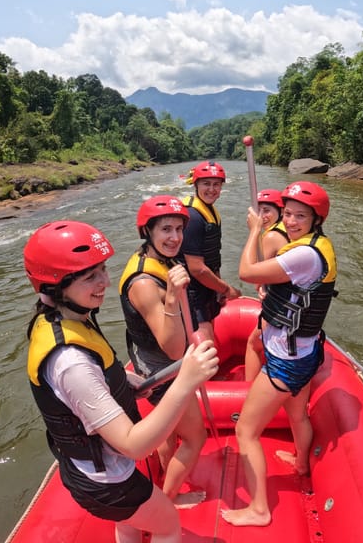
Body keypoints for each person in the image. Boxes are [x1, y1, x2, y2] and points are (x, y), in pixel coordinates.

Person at [23, 220, 219, 543]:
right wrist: (186, 379)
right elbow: (135, 443)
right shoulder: (70, 362)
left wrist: (130, 381)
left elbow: (99, 376)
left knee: (129, 523)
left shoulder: (64, 318)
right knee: (167, 522)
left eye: (102, 269)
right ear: (55, 288)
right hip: (107, 481)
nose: (105, 282)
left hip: (94, 469)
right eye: (90, 277)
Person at [222, 181, 337, 527]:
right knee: (297, 415)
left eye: (300, 216)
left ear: (317, 220)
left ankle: (259, 509)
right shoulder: (317, 246)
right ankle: (302, 463)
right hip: (306, 352)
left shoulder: (303, 254)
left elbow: (245, 271)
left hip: (287, 362)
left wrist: (254, 231)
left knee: (246, 431)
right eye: (287, 214)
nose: (290, 221)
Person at [118, 195, 208, 508]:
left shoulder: (158, 258)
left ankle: (164, 481)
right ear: (149, 232)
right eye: (166, 230)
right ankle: (170, 499)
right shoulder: (144, 282)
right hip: (163, 370)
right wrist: (172, 295)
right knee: (196, 438)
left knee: (169, 433)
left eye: (179, 229)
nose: (175, 237)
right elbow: (171, 349)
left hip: (151, 361)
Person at [180, 160, 241, 342]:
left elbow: (212, 255)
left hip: (205, 287)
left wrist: (218, 288)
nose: (212, 189)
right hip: (192, 293)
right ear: (196, 184)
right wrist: (226, 288)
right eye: (206, 184)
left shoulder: (210, 211)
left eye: (216, 185)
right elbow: (196, 268)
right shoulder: (193, 216)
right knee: (206, 350)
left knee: (211, 340)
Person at [244, 188, 288, 381]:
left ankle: (248, 390)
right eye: (258, 211)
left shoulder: (270, 237)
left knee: (253, 344)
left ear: (279, 211)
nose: (262, 216)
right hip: (289, 301)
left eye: (267, 210)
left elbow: (249, 271)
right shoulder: (288, 232)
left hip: (281, 306)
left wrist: (254, 232)